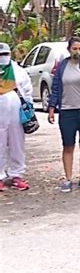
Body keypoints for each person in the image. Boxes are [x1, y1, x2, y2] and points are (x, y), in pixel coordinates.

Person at [48, 36, 80, 192]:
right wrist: (52, 107)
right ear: (69, 50)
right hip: (67, 110)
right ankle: (68, 178)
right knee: (68, 145)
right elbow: (56, 86)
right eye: (74, 49)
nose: (77, 52)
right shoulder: (63, 65)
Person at [0, 42, 32, 191]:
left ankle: (16, 174)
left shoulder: (18, 71)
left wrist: (29, 110)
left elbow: (27, 91)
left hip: (16, 114)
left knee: (17, 143)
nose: (3, 58)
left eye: (5, 55)